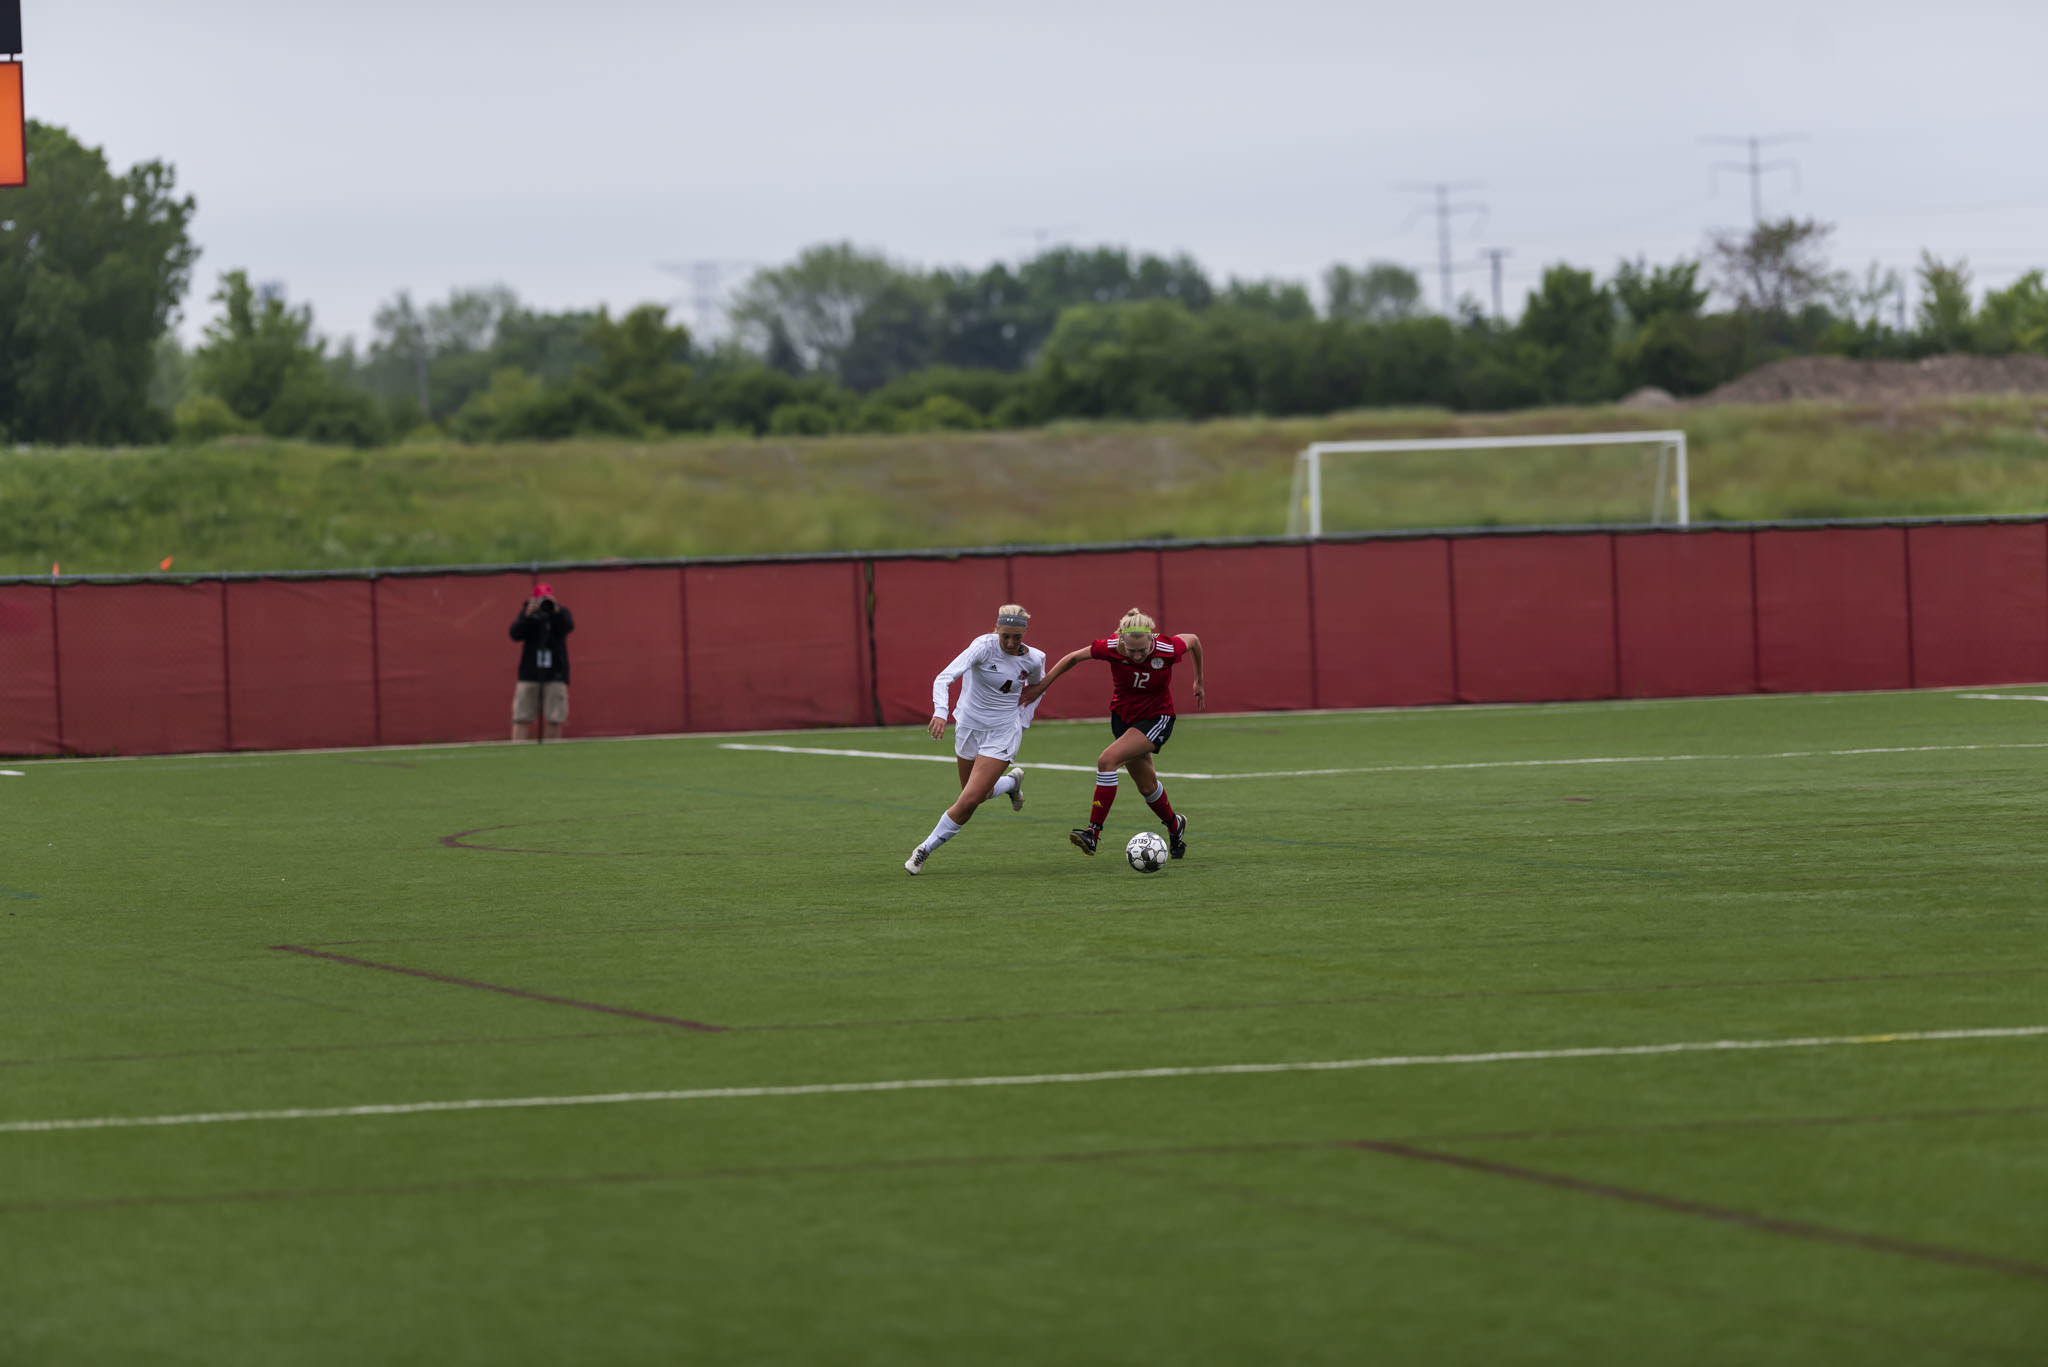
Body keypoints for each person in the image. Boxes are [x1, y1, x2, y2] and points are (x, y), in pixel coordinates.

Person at [1023, 606, 1204, 860]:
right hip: (1122, 718)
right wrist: (1041, 687)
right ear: (1121, 641)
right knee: (1146, 786)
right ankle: (1175, 826)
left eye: (1143, 649)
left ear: (1152, 638)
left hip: (1156, 718)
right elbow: (1072, 658)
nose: (1138, 655)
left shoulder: (1167, 648)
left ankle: (1092, 834)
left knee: (1107, 761)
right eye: (1132, 650)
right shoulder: (1109, 647)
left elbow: (1194, 641)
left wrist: (1199, 680)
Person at [905, 604, 1047, 875]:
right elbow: (944, 678)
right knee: (974, 795)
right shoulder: (983, 646)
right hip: (968, 727)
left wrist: (1023, 721)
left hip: (1003, 732)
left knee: (968, 801)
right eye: (1005, 636)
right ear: (997, 630)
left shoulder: (1034, 659)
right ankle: (1010, 784)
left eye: (1017, 638)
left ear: (1024, 635)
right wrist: (940, 712)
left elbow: (1037, 689)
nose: (1010, 642)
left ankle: (924, 849)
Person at [509, 581, 574, 741]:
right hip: (529, 673)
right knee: (521, 716)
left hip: (555, 673)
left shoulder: (561, 613)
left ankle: (552, 752)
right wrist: (527, 616)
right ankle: (518, 751)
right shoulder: (528, 614)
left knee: (554, 717)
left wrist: (555, 612)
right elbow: (515, 634)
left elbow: (567, 627)